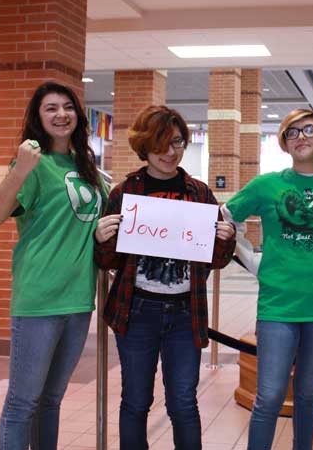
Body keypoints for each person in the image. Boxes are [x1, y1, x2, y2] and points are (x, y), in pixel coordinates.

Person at [93, 105, 235, 450]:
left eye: (178, 143)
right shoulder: (125, 193)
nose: (171, 152)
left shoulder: (199, 193)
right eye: (162, 144)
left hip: (186, 313)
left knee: (184, 403)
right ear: (145, 146)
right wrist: (100, 239)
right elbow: (108, 261)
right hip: (137, 311)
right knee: (136, 402)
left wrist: (226, 241)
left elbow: (215, 261)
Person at [222, 109, 313, 450]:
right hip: (278, 307)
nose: (301, 136)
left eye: (309, 129)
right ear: (284, 144)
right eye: (292, 132)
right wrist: (246, 257)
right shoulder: (267, 185)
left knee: (307, 393)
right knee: (269, 396)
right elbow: (225, 218)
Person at [0, 81, 108, 450]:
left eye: (67, 107)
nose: (61, 114)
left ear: (78, 116)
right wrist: (19, 171)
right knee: (23, 403)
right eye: (50, 108)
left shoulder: (87, 167)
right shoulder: (33, 165)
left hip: (79, 301)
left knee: (51, 401)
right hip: (39, 300)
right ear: (38, 117)